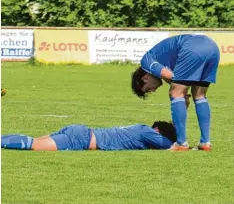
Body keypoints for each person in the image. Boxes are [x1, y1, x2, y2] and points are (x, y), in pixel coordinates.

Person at [131, 34, 220, 151]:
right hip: (212, 47)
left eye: (148, 89)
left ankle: (181, 144)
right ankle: (205, 143)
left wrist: (181, 94)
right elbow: (178, 80)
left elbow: (171, 76)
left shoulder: (146, 61)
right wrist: (183, 94)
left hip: (193, 48)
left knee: (175, 93)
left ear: (145, 79)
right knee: (199, 95)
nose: (153, 90)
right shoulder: (159, 57)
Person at [1, 121, 176, 151]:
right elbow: (170, 145)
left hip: (79, 131)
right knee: (33, 145)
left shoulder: (139, 128)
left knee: (34, 141)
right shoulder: (147, 132)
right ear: (158, 132)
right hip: (81, 139)